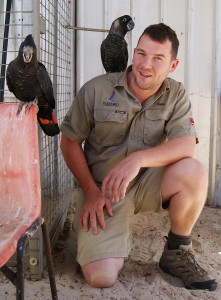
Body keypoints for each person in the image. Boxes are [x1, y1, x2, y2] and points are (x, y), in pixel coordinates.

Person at [60, 23, 218, 291]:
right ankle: (96, 241)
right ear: (133, 53)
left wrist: (137, 160)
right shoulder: (97, 89)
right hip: (104, 191)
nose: (146, 65)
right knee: (101, 277)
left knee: (194, 172)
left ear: (173, 64)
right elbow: (69, 141)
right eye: (142, 54)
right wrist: (89, 190)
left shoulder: (175, 94)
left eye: (158, 59)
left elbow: (186, 144)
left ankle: (177, 252)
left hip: (148, 183)